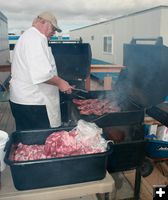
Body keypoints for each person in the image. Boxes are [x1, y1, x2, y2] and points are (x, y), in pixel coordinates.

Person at [9, 11, 73, 131]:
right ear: (43, 22)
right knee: (38, 143)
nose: (54, 33)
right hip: (33, 103)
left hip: (25, 101)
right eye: (53, 28)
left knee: (28, 143)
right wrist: (61, 83)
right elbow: (42, 74)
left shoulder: (28, 36)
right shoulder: (36, 38)